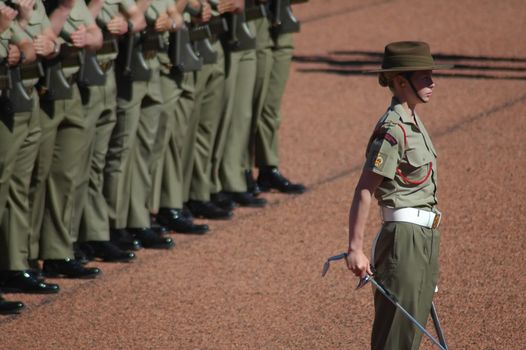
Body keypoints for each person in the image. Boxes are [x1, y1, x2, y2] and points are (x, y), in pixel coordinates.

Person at [345, 41, 452, 350]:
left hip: (425, 238)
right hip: (403, 242)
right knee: (394, 339)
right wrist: (355, 248)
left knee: (410, 337)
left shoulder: (414, 122)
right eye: (424, 77)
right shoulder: (393, 130)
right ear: (401, 82)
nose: (432, 83)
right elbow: (365, 188)